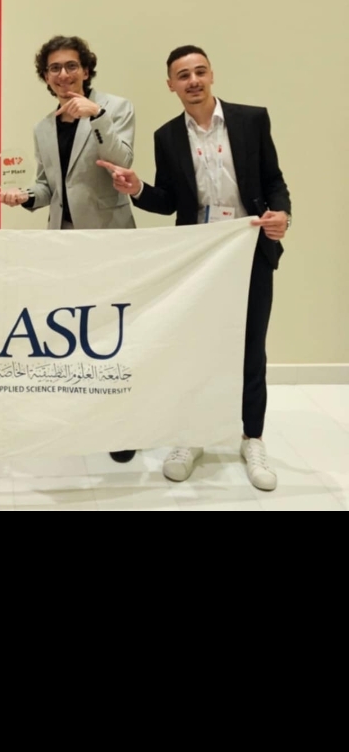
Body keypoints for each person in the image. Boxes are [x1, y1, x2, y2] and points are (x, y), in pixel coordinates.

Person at [98, 46, 291, 491]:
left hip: (248, 247)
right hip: (199, 256)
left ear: (211, 75)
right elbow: (169, 202)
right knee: (194, 347)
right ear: (171, 85)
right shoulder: (167, 136)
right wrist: (138, 188)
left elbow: (274, 179)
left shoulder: (251, 120)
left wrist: (283, 214)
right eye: (183, 75)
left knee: (250, 347)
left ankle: (252, 438)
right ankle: (191, 435)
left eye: (199, 71)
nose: (193, 81)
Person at [0, 33, 137, 463]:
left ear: (87, 69)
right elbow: (48, 185)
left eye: (71, 66)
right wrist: (26, 195)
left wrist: (97, 116)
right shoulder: (43, 127)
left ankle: (122, 427)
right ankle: (80, 417)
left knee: (115, 333)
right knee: (75, 332)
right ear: (46, 77)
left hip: (109, 237)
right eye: (54, 68)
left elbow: (123, 162)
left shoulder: (115, 107)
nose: (64, 74)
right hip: (64, 242)